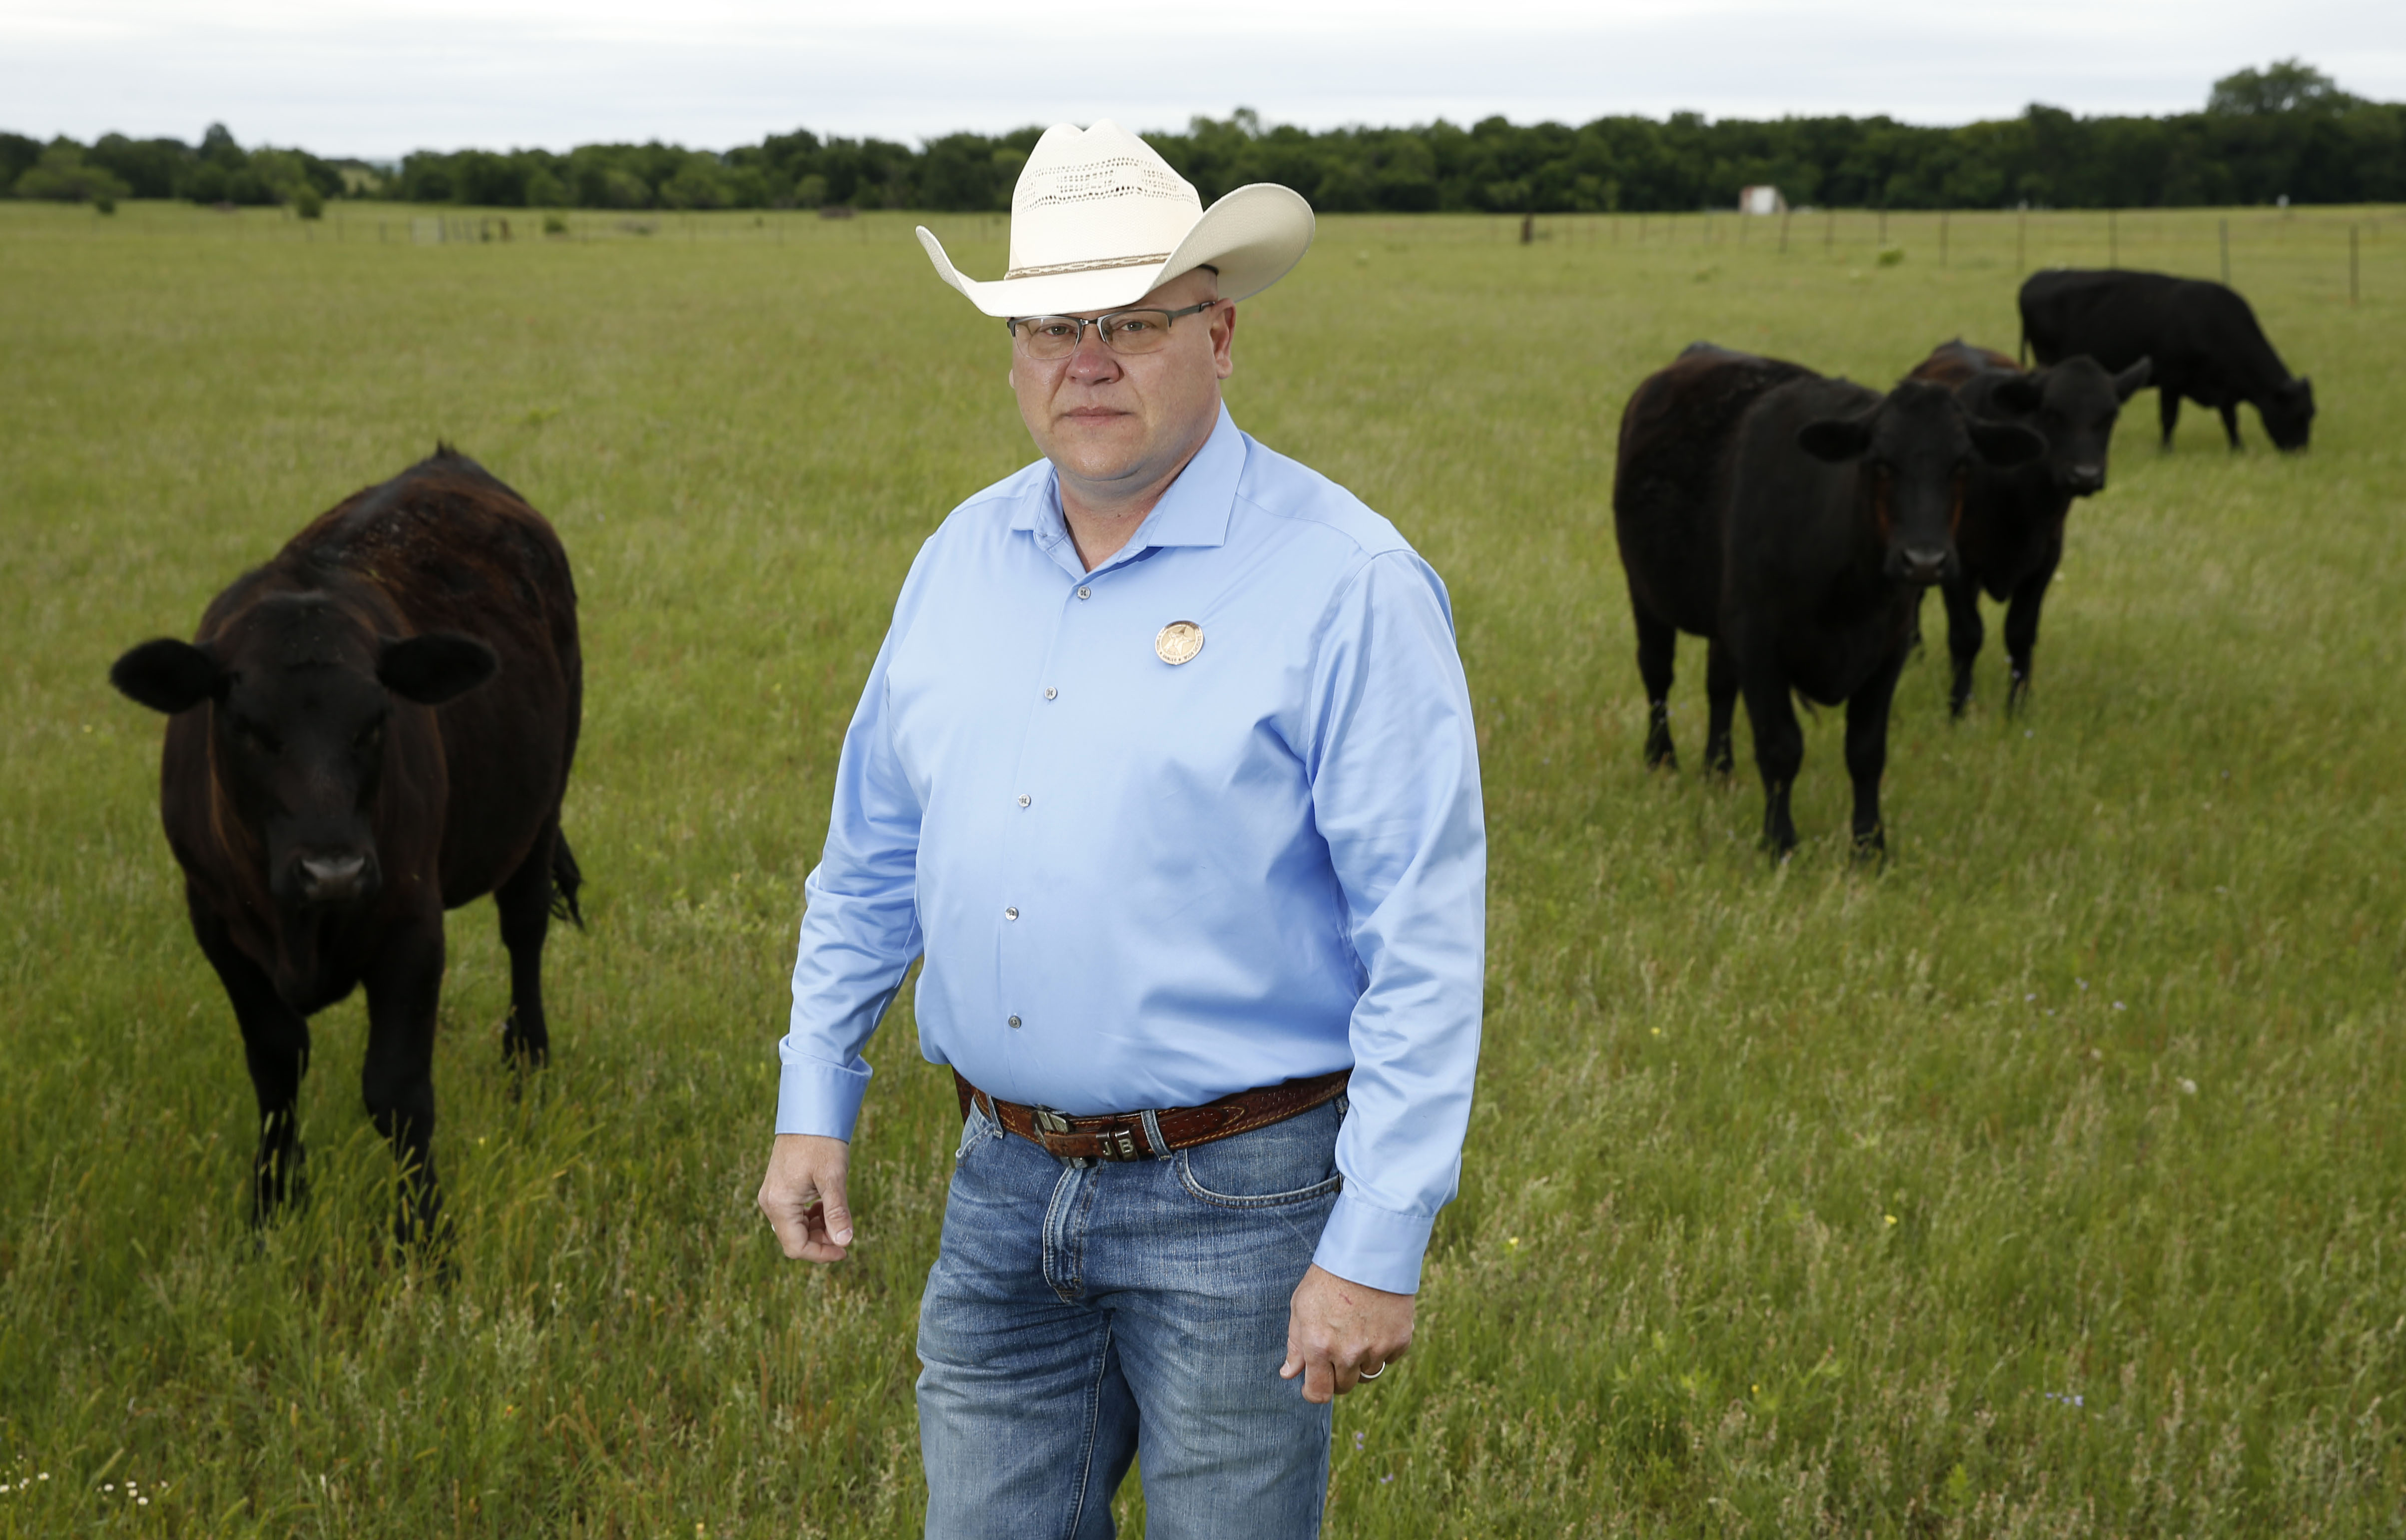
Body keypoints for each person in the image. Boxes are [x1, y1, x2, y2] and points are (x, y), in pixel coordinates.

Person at [757, 119, 1486, 1539]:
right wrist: (812, 1093)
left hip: (1246, 1196)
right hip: (998, 1178)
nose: (1084, 357)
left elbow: (1424, 938)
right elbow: (872, 854)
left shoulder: (1348, 585)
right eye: (1048, 323)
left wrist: (1376, 1236)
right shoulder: (960, 556)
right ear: (1013, 352)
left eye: (1131, 322)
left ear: (1217, 337)